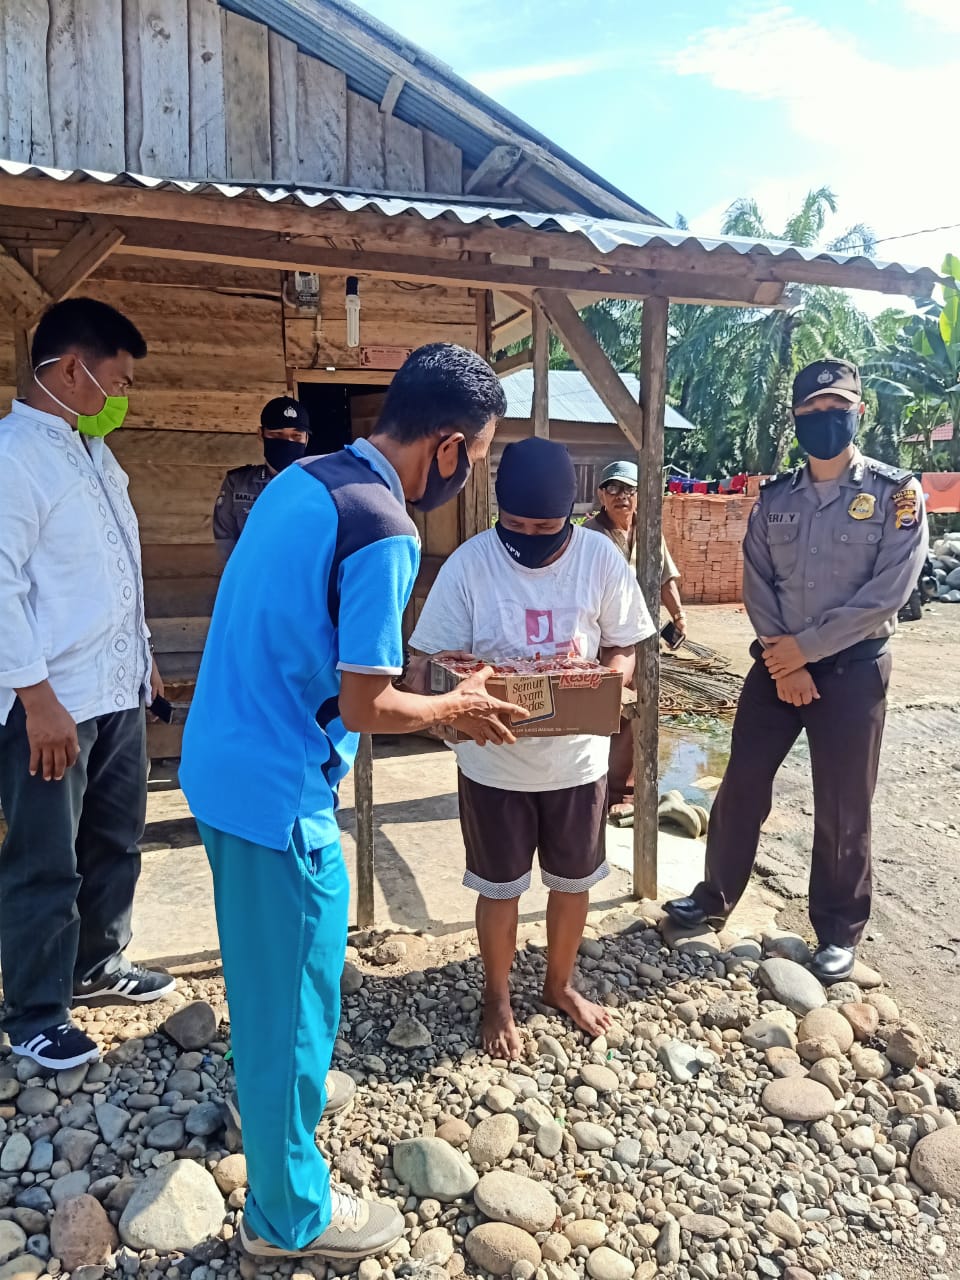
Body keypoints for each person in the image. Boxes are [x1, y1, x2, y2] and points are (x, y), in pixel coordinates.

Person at [178, 344, 524, 1264]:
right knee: (299, 989)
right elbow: (368, 706)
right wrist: (453, 707)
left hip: (218, 764)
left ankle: (263, 1096)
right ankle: (288, 1218)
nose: (472, 475)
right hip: (278, 795)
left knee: (263, 968)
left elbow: (327, 653)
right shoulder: (387, 528)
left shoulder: (309, 482)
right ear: (447, 447)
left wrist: (431, 685)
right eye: (479, 458)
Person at [664, 359, 928, 983]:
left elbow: (888, 593)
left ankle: (837, 931)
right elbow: (757, 580)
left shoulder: (897, 495)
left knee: (843, 805)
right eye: (810, 412)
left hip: (853, 670)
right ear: (795, 419)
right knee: (741, 786)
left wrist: (804, 651)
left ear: (859, 411)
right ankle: (714, 897)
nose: (823, 421)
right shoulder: (776, 498)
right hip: (777, 665)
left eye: (835, 409)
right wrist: (784, 660)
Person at [409, 437, 654, 1060]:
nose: (530, 537)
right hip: (494, 762)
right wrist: (450, 702)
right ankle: (496, 995)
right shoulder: (470, 564)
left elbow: (625, 642)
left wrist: (612, 678)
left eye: (546, 527)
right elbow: (428, 659)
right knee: (499, 887)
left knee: (573, 882)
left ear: (569, 514)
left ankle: (558, 984)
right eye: (516, 525)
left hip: (577, 762)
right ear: (498, 511)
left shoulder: (599, 557)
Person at [0, 297, 176, 1072]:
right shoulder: (14, 455)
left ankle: (97, 959)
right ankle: (34, 1009)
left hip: (116, 692)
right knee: (46, 857)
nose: (121, 397)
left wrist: (144, 660)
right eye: (117, 380)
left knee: (115, 836)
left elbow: (110, 573)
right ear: (72, 370)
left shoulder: (93, 453)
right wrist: (35, 698)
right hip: (52, 702)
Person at [583, 460, 686, 814]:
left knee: (636, 710)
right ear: (601, 495)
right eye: (613, 489)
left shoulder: (648, 531)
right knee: (603, 708)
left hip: (642, 638)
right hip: (602, 640)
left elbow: (664, 577)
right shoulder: (590, 535)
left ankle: (623, 792)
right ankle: (593, 786)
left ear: (639, 496)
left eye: (628, 490)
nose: (621, 497)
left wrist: (679, 615)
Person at [213, 395, 312, 561]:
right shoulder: (238, 484)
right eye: (277, 434)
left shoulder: (319, 485)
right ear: (261, 434)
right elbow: (225, 540)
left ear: (306, 439)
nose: (287, 442)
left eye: (296, 436)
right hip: (253, 580)